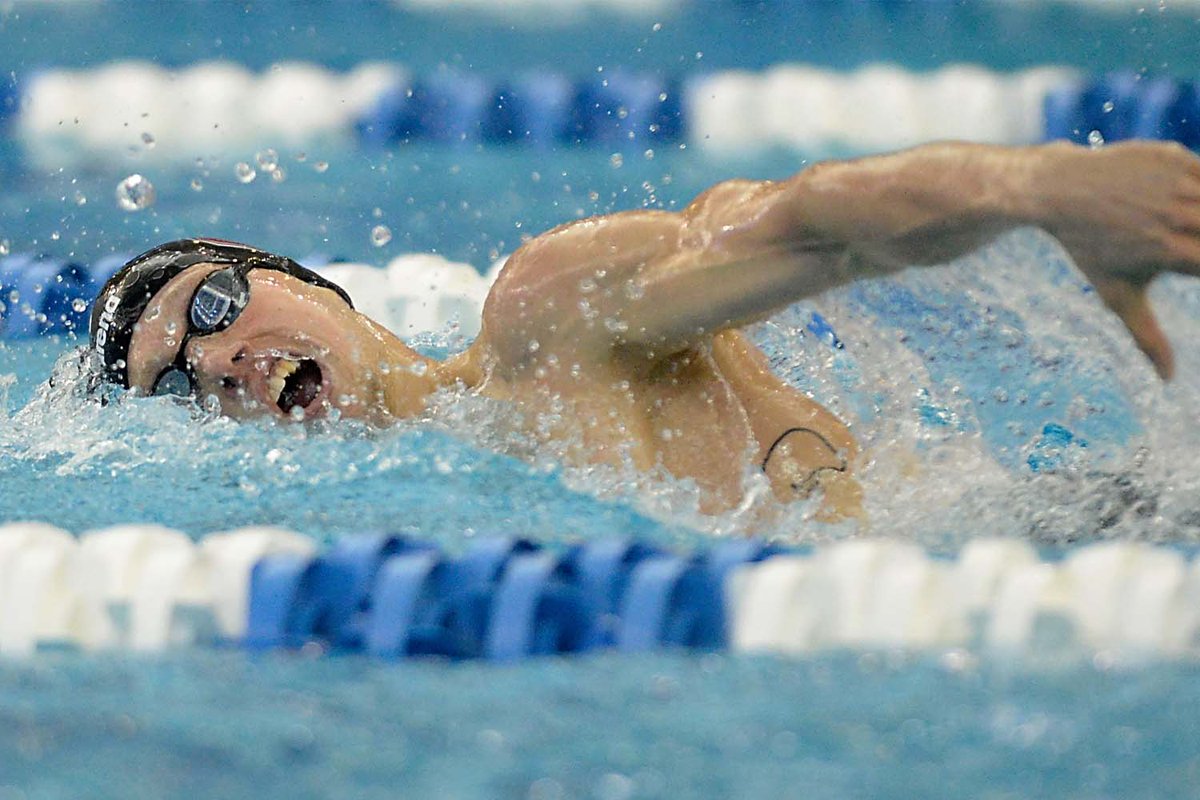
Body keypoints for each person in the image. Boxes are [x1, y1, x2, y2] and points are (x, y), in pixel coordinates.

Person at [88, 140, 1200, 517]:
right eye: (180, 386)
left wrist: (1046, 188)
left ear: (309, 283)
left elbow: (795, 224)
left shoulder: (546, 322)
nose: (222, 363)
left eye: (215, 308)